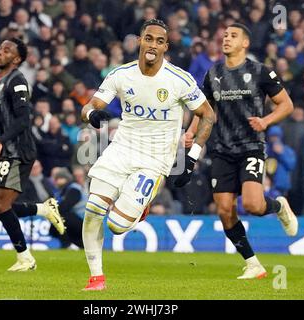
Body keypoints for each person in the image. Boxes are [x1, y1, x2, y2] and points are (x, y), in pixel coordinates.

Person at [80, 19, 214, 291]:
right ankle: (96, 278)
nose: (153, 44)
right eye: (149, 38)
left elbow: (208, 114)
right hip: (121, 149)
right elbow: (89, 106)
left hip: (154, 159)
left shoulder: (179, 80)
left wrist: (192, 157)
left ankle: (140, 207)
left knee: (117, 226)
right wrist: (93, 115)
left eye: (159, 41)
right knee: (93, 209)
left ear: (166, 47)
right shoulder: (121, 74)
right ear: (139, 41)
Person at [184, 23, 297, 279]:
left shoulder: (260, 72)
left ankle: (278, 206)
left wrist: (266, 121)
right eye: (224, 35)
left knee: (253, 205)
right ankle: (253, 264)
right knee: (224, 210)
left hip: (251, 148)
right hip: (222, 150)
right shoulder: (212, 74)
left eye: (233, 36)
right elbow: (205, 110)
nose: (226, 39)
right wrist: (191, 132)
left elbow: (286, 104)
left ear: (245, 43)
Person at [0, 38, 65, 272]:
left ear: (18, 59)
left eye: (7, 50)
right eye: (0, 48)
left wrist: (0, 142)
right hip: (5, 150)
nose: (0, 52)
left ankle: (25, 258)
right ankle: (43, 209)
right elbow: (4, 126)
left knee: (1, 206)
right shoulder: (0, 84)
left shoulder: (18, 81)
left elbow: (23, 120)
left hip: (18, 151)